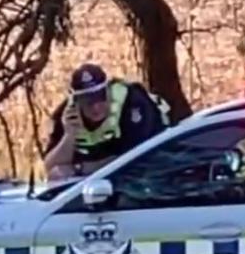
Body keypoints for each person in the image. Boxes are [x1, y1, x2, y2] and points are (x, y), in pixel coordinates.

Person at [42, 63, 171, 179]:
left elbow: (133, 159)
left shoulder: (132, 102)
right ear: (76, 102)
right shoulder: (67, 115)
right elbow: (51, 167)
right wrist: (69, 136)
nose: (96, 106)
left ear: (108, 90)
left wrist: (80, 168)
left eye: (100, 97)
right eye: (87, 101)